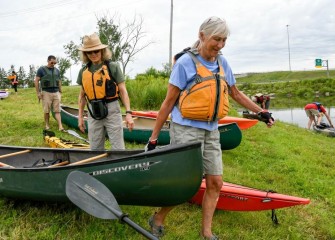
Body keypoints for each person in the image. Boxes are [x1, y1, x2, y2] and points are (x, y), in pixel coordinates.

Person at [145, 16, 274, 240]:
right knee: (187, 182)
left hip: (212, 129)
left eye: (224, 40)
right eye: (217, 39)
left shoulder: (222, 63)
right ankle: (158, 217)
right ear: (202, 35)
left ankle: (206, 232)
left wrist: (260, 111)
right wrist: (154, 137)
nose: (220, 45)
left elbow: (235, 93)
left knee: (215, 182)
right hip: (185, 129)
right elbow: (168, 102)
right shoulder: (185, 63)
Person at [77, 33, 134, 150]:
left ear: (102, 51)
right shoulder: (83, 71)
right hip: (93, 111)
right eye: (89, 52)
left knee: (118, 148)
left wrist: (128, 113)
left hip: (112, 108)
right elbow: (82, 96)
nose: (93, 54)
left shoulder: (113, 67)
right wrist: (80, 117)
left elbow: (123, 91)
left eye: (96, 51)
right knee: (95, 147)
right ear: (85, 54)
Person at [34, 55, 65, 131]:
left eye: (55, 63)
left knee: (57, 110)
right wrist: (38, 93)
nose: (53, 64)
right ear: (48, 61)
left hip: (56, 92)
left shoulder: (57, 70)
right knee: (46, 111)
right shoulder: (41, 70)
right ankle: (47, 125)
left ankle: (60, 126)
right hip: (46, 92)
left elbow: (59, 81)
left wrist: (60, 91)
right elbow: (36, 80)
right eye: (52, 62)